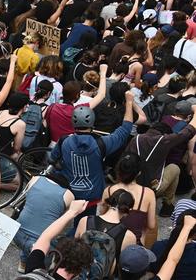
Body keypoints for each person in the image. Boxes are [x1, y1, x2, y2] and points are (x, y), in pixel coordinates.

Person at [50, 90, 134, 228]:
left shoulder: (64, 141)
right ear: (92, 123)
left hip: (69, 191)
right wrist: (129, 102)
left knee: (61, 221)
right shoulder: (102, 144)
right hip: (92, 194)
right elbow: (125, 129)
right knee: (83, 223)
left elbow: (53, 159)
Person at [14, 173, 74, 273]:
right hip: (39, 244)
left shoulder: (35, 179)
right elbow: (64, 223)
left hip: (17, 234)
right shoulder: (69, 195)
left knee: (26, 244)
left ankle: (23, 263)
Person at [22, 200, 94, 279]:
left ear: (56, 255)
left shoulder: (34, 271)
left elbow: (45, 237)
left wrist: (72, 211)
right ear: (79, 271)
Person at [101, 152, 157, 247]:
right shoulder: (148, 193)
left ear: (118, 170)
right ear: (139, 172)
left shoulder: (109, 190)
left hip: (109, 243)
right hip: (134, 245)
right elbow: (151, 225)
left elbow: (101, 215)